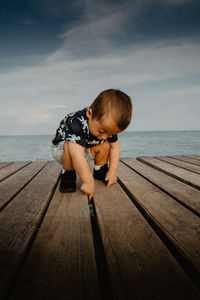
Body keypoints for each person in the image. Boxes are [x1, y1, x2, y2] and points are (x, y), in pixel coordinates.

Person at [51, 89, 132, 201]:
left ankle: (100, 171)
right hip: (62, 151)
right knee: (69, 145)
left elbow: (115, 147)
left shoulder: (107, 129)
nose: (104, 136)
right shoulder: (76, 121)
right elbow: (76, 155)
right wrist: (88, 181)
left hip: (84, 149)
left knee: (106, 145)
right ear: (90, 113)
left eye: (111, 133)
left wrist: (112, 171)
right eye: (101, 131)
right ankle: (68, 174)